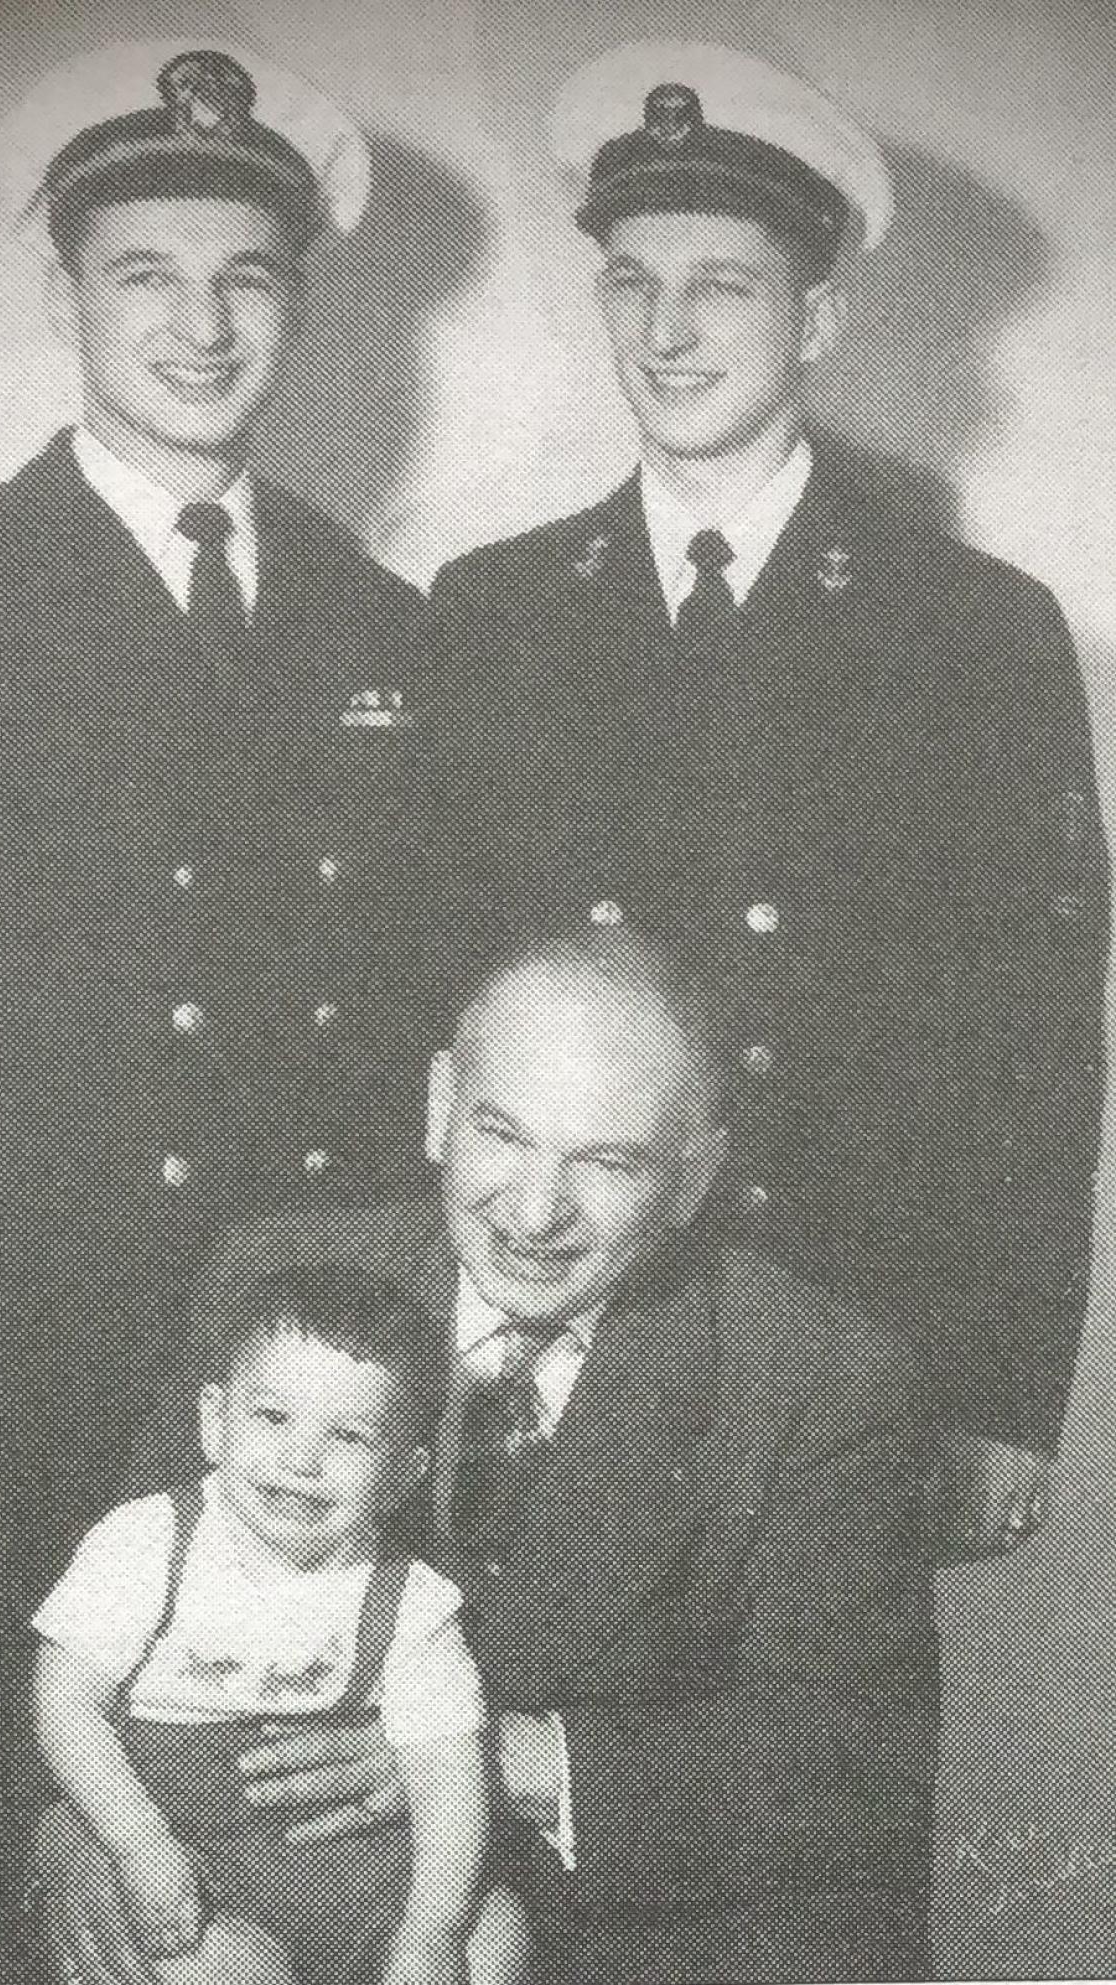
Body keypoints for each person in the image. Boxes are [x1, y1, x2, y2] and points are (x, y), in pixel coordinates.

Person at [0, 45, 433, 1983]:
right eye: (147, 272)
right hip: (21, 1349)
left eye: (246, 276)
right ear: (65, 297)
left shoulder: (375, 619)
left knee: (266, 1866)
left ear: (296, 301)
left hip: (294, 1366)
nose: (200, 322)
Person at [423, 40, 1110, 1560]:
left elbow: (1036, 1042)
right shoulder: (491, 616)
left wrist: (1003, 1388)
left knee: (806, 1775)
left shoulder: (974, 630)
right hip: (550, 1324)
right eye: (631, 282)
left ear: (820, 317)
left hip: (848, 1329)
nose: (667, 331)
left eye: (722, 285)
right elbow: (433, 993)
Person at [41, 918, 942, 1985]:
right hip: (243, 1899)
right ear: (438, 1108)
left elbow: (849, 1765)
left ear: (694, 1179)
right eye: (500, 1134)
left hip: (627, 1935)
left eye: (604, 1162)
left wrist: (487, 1757)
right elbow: (116, 1605)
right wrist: (68, 1833)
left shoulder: (819, 1378)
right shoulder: (274, 1278)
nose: (531, 1210)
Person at [33, 1262, 527, 1985]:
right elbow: (64, 1702)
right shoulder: (147, 1540)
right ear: (213, 1420)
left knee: (495, 1933)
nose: (302, 1460)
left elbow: (447, 1769)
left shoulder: (414, 1600)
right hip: (191, 1856)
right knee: (221, 1970)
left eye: (350, 1437)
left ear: (403, 1475)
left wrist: (432, 1930)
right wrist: (139, 1844)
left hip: (356, 1871)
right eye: (272, 1417)